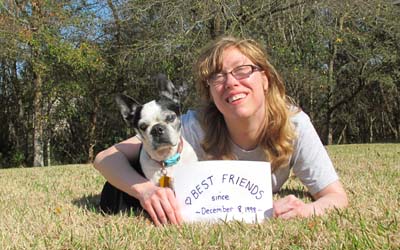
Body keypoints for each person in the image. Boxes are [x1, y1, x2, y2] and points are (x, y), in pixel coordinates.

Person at [94, 36, 348, 226]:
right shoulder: (193, 126)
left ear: (265, 78)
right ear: (210, 91)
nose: (230, 82)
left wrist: (306, 211)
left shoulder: (295, 124)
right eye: (217, 76)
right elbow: (105, 157)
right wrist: (145, 189)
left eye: (242, 70)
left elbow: (335, 196)